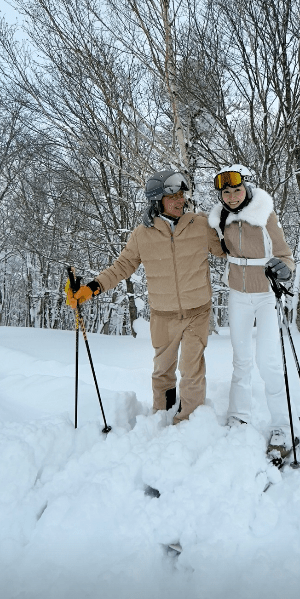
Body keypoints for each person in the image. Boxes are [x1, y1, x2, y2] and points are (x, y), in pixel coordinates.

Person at [66, 169, 224, 424]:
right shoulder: (142, 234)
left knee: (192, 370)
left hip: (197, 312)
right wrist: (91, 288)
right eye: (172, 196)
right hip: (163, 315)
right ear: (157, 200)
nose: (179, 200)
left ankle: (189, 423)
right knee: (162, 371)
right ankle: (160, 418)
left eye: (182, 195)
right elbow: (122, 267)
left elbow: (226, 250)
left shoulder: (200, 224)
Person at [208, 164, 300, 465]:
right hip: (238, 294)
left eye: (237, 190)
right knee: (241, 360)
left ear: (247, 188)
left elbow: (286, 255)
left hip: (266, 296)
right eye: (226, 192)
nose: (232, 196)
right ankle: (239, 417)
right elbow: (217, 249)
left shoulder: (265, 213)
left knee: (268, 361)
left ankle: (282, 427)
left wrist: (284, 270)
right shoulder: (220, 217)